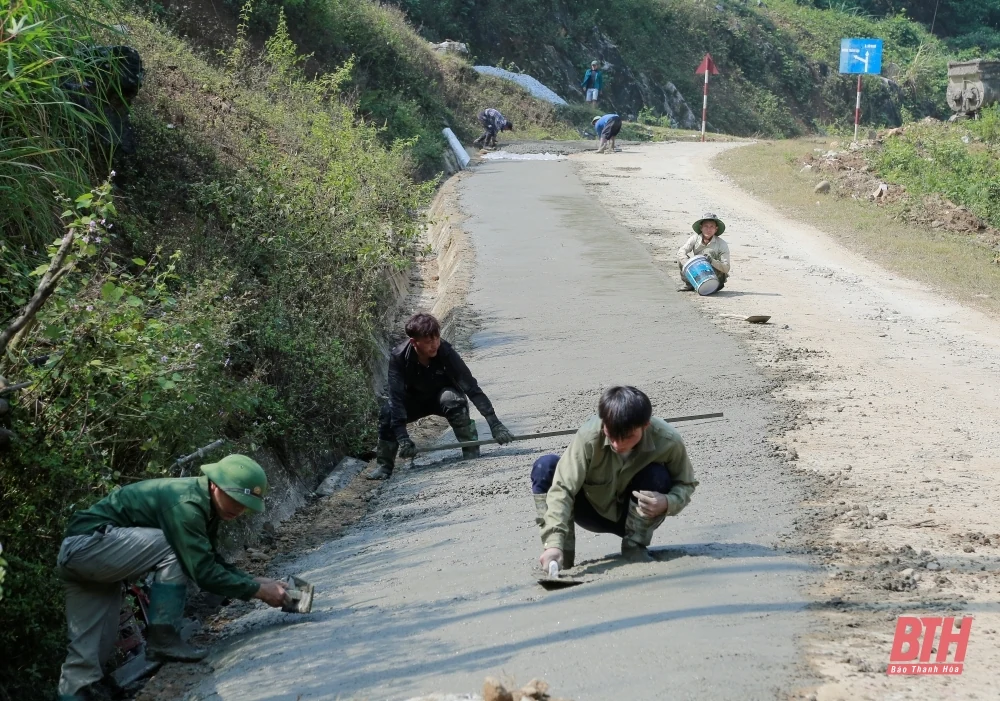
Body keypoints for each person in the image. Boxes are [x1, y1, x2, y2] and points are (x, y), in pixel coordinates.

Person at [56, 454, 289, 701]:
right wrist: (257, 591)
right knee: (173, 545)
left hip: (91, 558)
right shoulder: (186, 504)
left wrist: (254, 581)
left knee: (86, 658)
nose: (239, 509)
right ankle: (164, 637)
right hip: (86, 547)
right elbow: (202, 571)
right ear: (214, 485)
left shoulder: (206, 505)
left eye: (245, 505)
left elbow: (209, 559)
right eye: (235, 499)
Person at [532, 386, 698, 569]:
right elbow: (562, 488)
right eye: (611, 435)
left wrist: (667, 502)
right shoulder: (588, 437)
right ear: (604, 423)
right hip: (592, 512)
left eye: (627, 437)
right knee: (545, 466)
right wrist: (554, 543)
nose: (618, 445)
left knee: (656, 474)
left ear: (645, 426)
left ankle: (635, 547)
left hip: (638, 515)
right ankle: (559, 557)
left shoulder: (668, 440)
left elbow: (686, 483)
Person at [367, 312, 514, 480]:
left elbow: (471, 387)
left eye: (437, 338)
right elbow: (396, 399)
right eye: (429, 342)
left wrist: (494, 423)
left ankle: (471, 449)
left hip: (443, 399)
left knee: (453, 399)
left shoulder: (446, 352)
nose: (435, 345)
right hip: (413, 401)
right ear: (414, 342)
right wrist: (403, 438)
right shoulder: (399, 357)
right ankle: (384, 467)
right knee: (388, 412)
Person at [677, 212, 731, 292]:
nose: (708, 229)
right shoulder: (694, 238)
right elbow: (681, 251)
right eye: (706, 226)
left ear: (716, 229)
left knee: (708, 252)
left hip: (715, 276)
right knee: (681, 258)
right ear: (701, 227)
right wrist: (688, 264)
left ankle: (712, 286)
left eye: (711, 227)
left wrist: (712, 261)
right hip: (698, 272)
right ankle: (689, 284)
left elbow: (726, 268)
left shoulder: (722, 244)